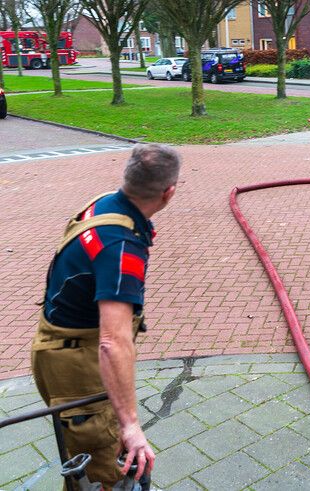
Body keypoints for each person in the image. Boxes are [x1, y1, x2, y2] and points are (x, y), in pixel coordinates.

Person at [32, 144, 181, 489]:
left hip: (56, 350)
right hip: (76, 366)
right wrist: (131, 425)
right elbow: (113, 343)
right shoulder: (121, 248)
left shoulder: (102, 205)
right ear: (168, 192)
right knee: (104, 473)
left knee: (83, 462)